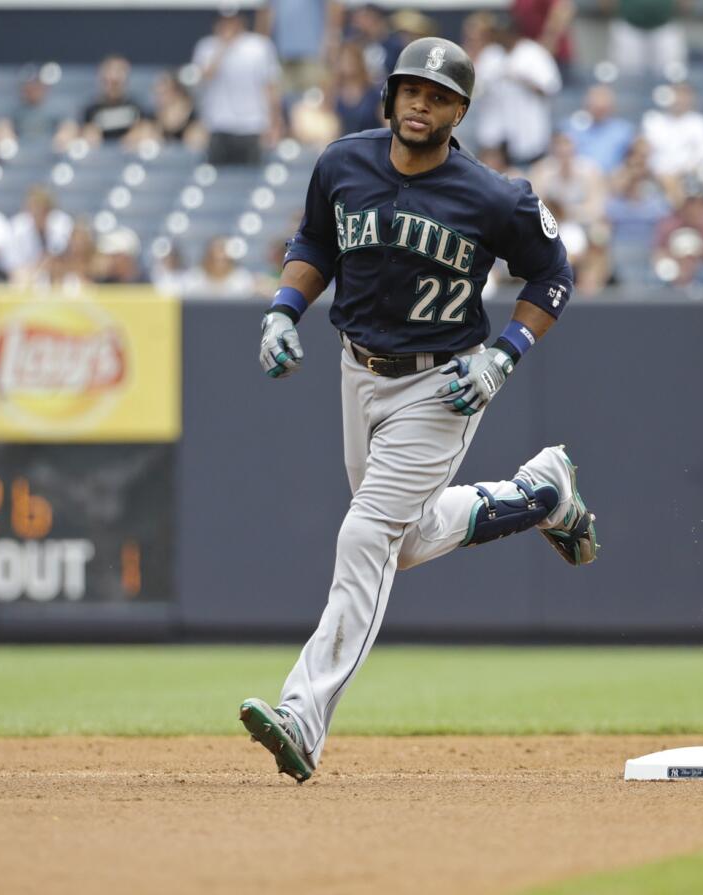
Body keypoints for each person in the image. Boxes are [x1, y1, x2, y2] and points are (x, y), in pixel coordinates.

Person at [239, 38, 596, 784]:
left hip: (443, 384)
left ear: (460, 110)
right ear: (390, 95)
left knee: (367, 532)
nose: (419, 104)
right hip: (356, 369)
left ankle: (304, 712)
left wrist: (504, 356)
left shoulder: (495, 196)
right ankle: (541, 493)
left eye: (437, 96)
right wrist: (283, 308)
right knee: (404, 536)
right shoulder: (342, 163)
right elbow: (315, 241)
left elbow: (553, 274)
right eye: (410, 90)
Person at [191, 9, 283, 166]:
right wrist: (222, 48)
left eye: (232, 21)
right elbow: (203, 78)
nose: (228, 26)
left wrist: (275, 124)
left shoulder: (259, 47)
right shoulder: (206, 47)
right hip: (218, 127)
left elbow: (271, 87)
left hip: (253, 126)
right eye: (224, 22)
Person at [474, 13, 562, 166]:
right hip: (496, 132)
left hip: (528, 131)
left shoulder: (534, 53)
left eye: (502, 33)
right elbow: (476, 87)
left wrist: (522, 79)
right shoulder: (490, 54)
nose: (498, 37)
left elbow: (550, 88)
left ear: (513, 33)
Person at [256, 0, 343, 95]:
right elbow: (267, 14)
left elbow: (334, 6)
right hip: (282, 57)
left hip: (312, 56)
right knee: (284, 103)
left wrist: (331, 41)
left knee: (314, 102)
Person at [641, 84, 703, 183]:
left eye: (684, 95)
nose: (679, 100)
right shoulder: (654, 121)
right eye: (677, 94)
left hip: (688, 179)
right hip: (655, 178)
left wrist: (684, 171)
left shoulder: (700, 123)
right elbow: (644, 152)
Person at [528, 131, 608, 226]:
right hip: (549, 224)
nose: (563, 149)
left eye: (567, 143)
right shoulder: (540, 170)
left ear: (575, 146)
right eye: (558, 144)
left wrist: (567, 211)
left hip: (582, 224)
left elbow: (596, 208)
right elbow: (534, 205)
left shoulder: (590, 170)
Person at [1, 186, 73, 285]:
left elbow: (65, 258)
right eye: (33, 208)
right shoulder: (16, 228)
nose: (37, 212)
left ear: (49, 210)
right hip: (26, 275)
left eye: (42, 209)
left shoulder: (64, 224)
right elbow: (12, 264)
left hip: (58, 276)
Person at [70, 55, 146, 146]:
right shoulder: (90, 109)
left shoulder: (135, 107)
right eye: (109, 82)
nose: (113, 84)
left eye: (116, 83)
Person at [562, 85, 635, 174]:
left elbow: (633, 161)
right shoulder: (572, 127)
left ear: (612, 108)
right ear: (587, 106)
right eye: (595, 107)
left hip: (612, 181)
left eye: (603, 108)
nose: (599, 111)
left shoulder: (624, 131)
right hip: (578, 179)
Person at [604, 0, 689, 75]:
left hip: (666, 27)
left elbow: (686, 4)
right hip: (628, 27)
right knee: (626, 76)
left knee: (673, 74)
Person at [329, 41, 382, 136]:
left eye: (351, 59)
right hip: (342, 146)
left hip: (370, 144)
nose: (348, 63)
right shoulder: (334, 93)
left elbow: (385, 122)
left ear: (359, 61)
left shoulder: (373, 93)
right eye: (343, 59)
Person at [178, 236, 257, 297]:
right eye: (215, 258)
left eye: (223, 259)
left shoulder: (242, 279)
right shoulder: (193, 278)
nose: (220, 257)